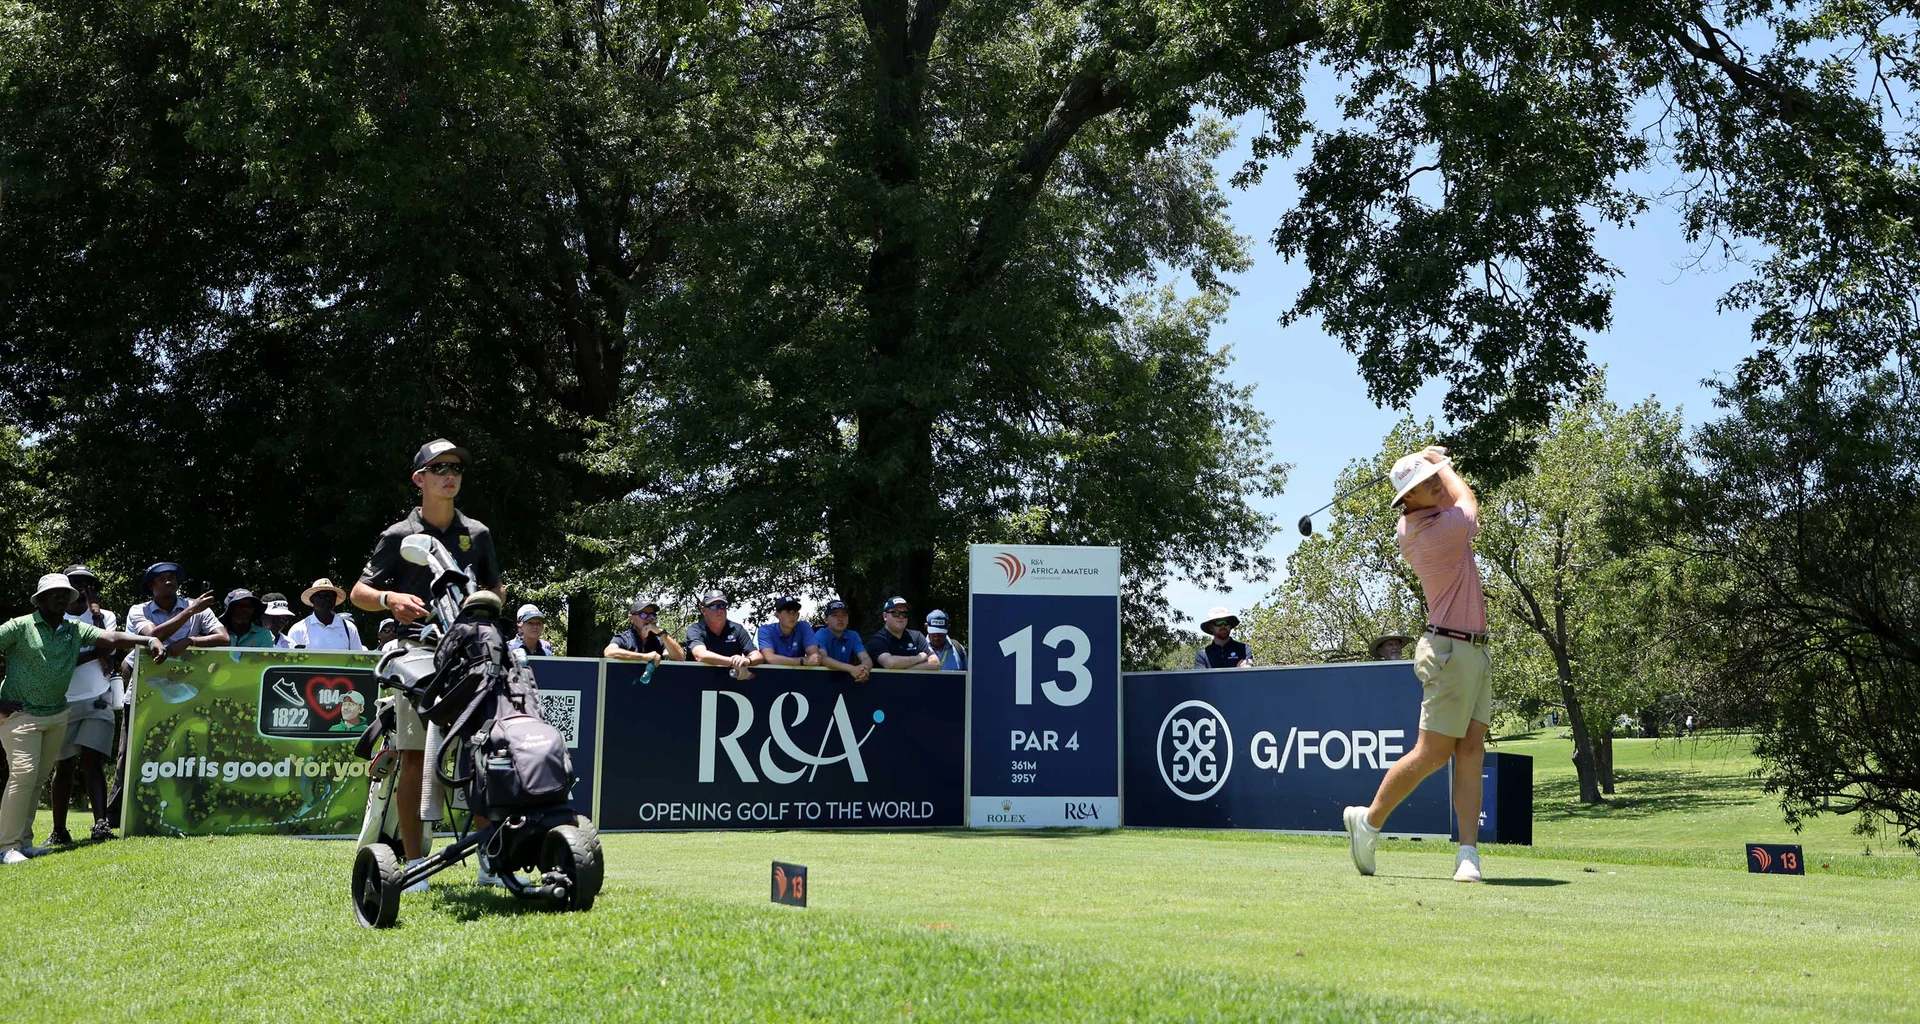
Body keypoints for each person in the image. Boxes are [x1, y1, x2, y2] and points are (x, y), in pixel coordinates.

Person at [350, 439, 505, 888]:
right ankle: (416, 864)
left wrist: (482, 603)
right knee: (415, 758)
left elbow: (497, 588)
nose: (449, 475)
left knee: (484, 751)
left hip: (468, 653)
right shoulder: (399, 534)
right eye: (438, 468)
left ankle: (488, 860)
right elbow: (360, 592)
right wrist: (389, 597)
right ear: (420, 479)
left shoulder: (477, 533)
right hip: (413, 655)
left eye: (455, 467)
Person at [1344, 446, 1492, 884]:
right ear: (1409, 500)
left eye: (1430, 480)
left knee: (1470, 751)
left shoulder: (1419, 520)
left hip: (1474, 650)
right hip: (1450, 650)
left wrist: (1424, 464)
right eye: (1422, 484)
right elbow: (1467, 501)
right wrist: (1444, 464)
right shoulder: (1436, 531)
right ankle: (1368, 822)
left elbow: (1446, 499)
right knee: (1433, 753)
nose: (1434, 485)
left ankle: (1468, 855)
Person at [1, 573, 166, 864]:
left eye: (66, 594)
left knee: (37, 779)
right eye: (55, 593)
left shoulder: (72, 629)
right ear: (40, 599)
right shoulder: (20, 626)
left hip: (56, 713)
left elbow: (112, 638)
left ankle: (24, 842)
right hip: (20, 714)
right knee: (23, 775)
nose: (62, 597)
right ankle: (6, 846)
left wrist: (148, 638)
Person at [48, 565, 122, 845]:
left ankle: (101, 825)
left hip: (97, 698)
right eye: (76, 582)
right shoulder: (55, 618)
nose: (82, 587)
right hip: (62, 701)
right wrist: (96, 653)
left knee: (93, 762)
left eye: (87, 583)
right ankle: (59, 830)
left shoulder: (105, 617)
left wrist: (95, 615)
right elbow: (59, 661)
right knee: (63, 765)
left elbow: (109, 647)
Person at [128, 562, 229, 655]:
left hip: (190, 669)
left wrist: (190, 641)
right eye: (161, 579)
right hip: (149, 668)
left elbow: (224, 639)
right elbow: (153, 637)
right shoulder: (140, 610)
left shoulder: (197, 606)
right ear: (150, 585)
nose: (168, 582)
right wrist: (189, 611)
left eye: (172, 578)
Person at [685, 590, 759, 679]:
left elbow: (757, 655)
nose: (719, 610)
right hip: (698, 683)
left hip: (731, 685)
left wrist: (746, 661)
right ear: (703, 610)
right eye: (713, 606)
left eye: (722, 606)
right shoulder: (695, 629)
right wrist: (733, 662)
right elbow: (700, 655)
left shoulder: (737, 629)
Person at [603, 596, 685, 664]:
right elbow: (609, 652)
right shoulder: (624, 638)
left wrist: (662, 633)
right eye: (643, 614)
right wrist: (644, 657)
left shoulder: (659, 640)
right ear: (631, 618)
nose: (649, 618)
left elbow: (679, 657)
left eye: (652, 615)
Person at [287, 579, 363, 651]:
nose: (327, 599)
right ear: (312, 599)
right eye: (322, 595)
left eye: (331, 596)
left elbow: (358, 659)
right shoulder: (298, 630)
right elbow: (290, 661)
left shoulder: (349, 628)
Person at [869, 597, 939, 670]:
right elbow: (890, 663)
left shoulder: (917, 636)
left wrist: (904, 668)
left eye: (905, 613)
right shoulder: (878, 640)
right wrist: (919, 658)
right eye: (896, 613)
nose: (901, 617)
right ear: (885, 616)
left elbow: (935, 663)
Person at [814, 599, 872, 682]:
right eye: (835, 615)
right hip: (822, 681)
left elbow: (866, 658)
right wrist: (851, 669)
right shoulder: (821, 634)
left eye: (844, 615)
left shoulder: (853, 635)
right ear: (826, 619)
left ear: (848, 619)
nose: (840, 619)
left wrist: (864, 671)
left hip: (845, 681)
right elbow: (823, 658)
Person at [757, 596, 819, 667]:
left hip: (799, 675)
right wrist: (802, 661)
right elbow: (769, 658)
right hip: (772, 675)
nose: (792, 616)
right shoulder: (765, 630)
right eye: (788, 612)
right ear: (777, 615)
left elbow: (815, 657)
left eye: (795, 612)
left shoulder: (803, 626)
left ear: (798, 615)